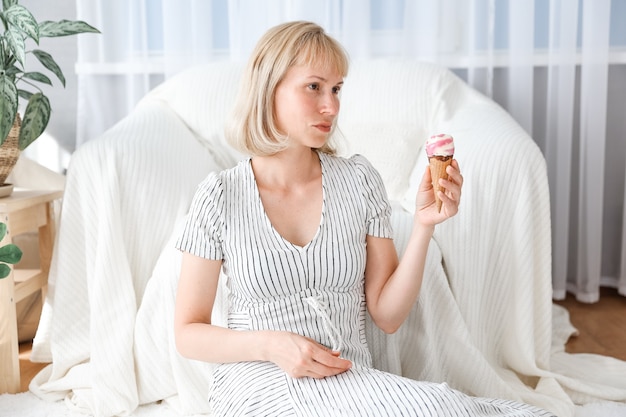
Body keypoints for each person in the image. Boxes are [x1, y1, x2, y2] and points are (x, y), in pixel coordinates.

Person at [174, 20, 554, 416]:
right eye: (314, 87)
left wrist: (424, 225)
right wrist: (271, 344)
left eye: (337, 89)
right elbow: (188, 333)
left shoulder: (358, 181)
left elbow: (387, 317)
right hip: (255, 386)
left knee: (448, 408)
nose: (331, 107)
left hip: (349, 383)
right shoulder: (219, 196)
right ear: (269, 88)